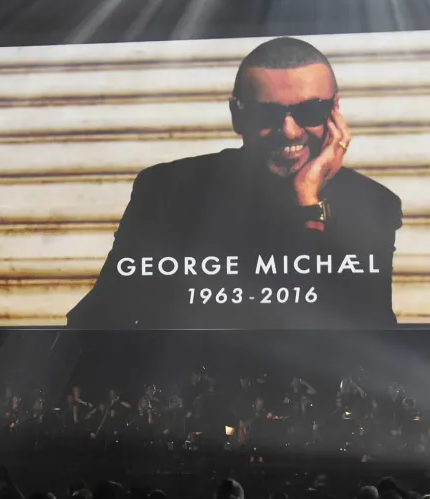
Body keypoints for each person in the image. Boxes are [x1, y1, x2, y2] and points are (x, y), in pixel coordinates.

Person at [66, 36, 401, 329]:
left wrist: (308, 205)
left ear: (335, 110)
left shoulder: (373, 204)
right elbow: (102, 316)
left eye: (310, 111)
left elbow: (359, 334)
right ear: (237, 115)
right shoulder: (168, 189)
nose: (290, 131)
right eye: (266, 114)